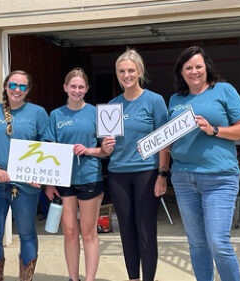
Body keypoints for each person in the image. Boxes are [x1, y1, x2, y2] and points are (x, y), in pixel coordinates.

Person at [168, 46, 240, 281]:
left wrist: (214, 130)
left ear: (206, 68)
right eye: (188, 68)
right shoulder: (176, 99)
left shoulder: (224, 90)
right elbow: (169, 137)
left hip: (219, 178)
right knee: (197, 243)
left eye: (198, 66)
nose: (194, 71)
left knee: (218, 243)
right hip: (184, 178)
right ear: (181, 72)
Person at [0, 70, 48, 281]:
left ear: (28, 90)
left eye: (23, 86)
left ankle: (26, 278)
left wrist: (40, 173)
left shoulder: (38, 113)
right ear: (6, 87)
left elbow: (47, 146)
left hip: (26, 185)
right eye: (13, 85)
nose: (17, 90)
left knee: (26, 233)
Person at [44, 68, 115, 281]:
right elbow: (49, 150)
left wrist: (89, 150)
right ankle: (73, 278)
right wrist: (49, 183)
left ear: (87, 89)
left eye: (81, 87)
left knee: (88, 232)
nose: (77, 90)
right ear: (65, 88)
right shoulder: (56, 115)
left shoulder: (97, 113)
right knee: (69, 232)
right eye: (73, 86)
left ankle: (90, 278)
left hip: (89, 177)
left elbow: (105, 151)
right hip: (64, 180)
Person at [107, 49, 170, 281]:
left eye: (131, 70)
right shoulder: (112, 105)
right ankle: (133, 277)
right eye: (122, 71)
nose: (126, 75)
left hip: (147, 173)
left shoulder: (154, 101)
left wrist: (162, 174)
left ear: (140, 71)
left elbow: (165, 141)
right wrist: (105, 146)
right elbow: (107, 147)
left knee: (145, 231)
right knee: (126, 230)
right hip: (117, 174)